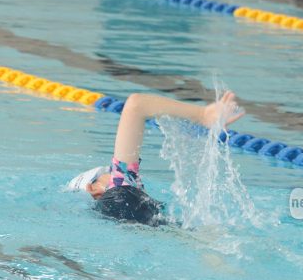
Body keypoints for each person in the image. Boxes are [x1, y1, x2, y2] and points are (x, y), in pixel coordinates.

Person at [67, 92, 244, 225]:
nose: (112, 171)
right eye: (107, 172)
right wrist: (202, 115)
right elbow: (137, 104)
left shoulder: (114, 214)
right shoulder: (118, 190)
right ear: (93, 188)